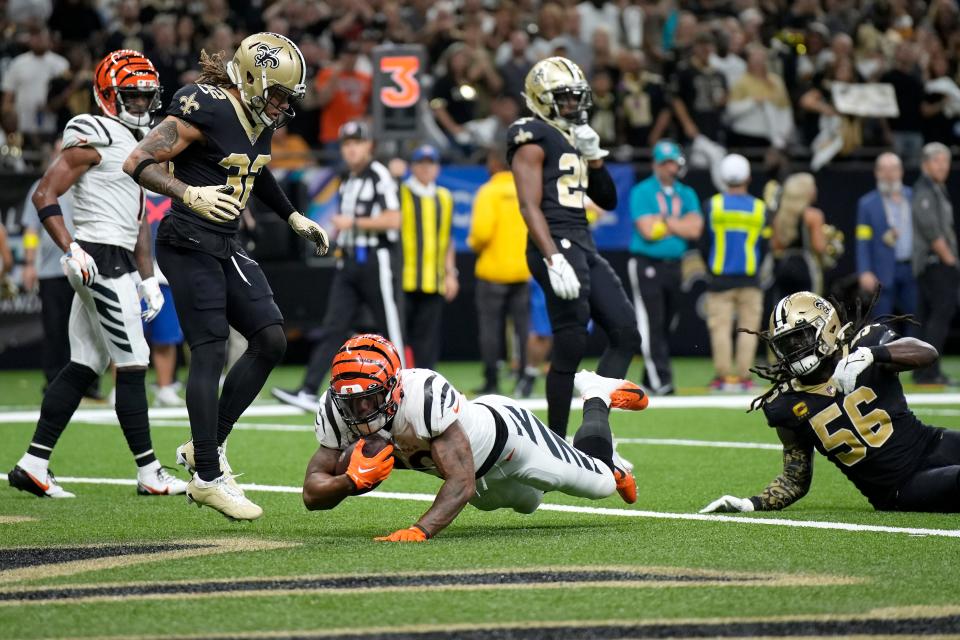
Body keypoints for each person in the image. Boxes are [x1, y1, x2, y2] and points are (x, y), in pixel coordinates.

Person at [123, 33, 331, 521]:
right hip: (186, 238)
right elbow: (138, 161)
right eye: (277, 94)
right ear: (253, 79)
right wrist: (186, 193)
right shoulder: (208, 106)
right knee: (211, 351)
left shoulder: (259, 119)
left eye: (287, 98)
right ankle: (208, 477)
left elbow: (255, 171)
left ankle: (205, 446)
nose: (281, 105)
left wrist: (293, 217)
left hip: (224, 242)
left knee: (272, 340)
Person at [8, 50, 186, 499]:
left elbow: (139, 217)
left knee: (85, 363)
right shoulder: (95, 133)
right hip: (99, 258)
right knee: (133, 363)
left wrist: (148, 277)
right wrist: (70, 247)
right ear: (107, 95)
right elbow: (45, 194)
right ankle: (149, 472)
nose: (142, 105)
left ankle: (33, 463)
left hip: (119, 258)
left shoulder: (137, 140)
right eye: (132, 96)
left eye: (147, 97)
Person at [302, 334, 646, 541]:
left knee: (600, 483)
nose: (360, 410)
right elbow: (311, 493)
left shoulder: (423, 394)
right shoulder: (335, 409)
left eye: (370, 398)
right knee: (529, 504)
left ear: (393, 388)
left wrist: (420, 530)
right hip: (479, 486)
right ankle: (586, 456)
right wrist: (348, 482)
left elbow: (461, 482)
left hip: (513, 442)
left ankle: (596, 395)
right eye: (351, 400)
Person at [701, 291, 960, 514]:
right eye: (786, 344)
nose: (793, 350)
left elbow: (928, 353)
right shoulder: (785, 404)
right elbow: (795, 479)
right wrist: (752, 504)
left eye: (800, 338)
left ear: (827, 327)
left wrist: (873, 354)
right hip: (901, 486)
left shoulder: (865, 347)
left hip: (933, 443)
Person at [508, 56, 642, 437]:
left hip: (582, 241)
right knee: (571, 341)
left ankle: (595, 417)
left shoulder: (574, 135)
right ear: (541, 97)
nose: (572, 104)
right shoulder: (530, 132)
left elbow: (609, 200)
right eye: (564, 97)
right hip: (553, 242)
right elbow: (528, 204)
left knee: (626, 333)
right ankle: (555, 440)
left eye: (575, 97)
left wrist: (595, 159)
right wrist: (552, 256)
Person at [272, 120, 405, 411]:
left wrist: (353, 224)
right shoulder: (348, 179)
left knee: (389, 325)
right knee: (333, 326)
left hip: (376, 258)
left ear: (369, 145)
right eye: (346, 144)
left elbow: (394, 220)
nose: (351, 149)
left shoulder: (378, 175)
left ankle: (404, 388)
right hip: (350, 260)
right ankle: (308, 389)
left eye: (357, 143)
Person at [628, 140, 703, 396]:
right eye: (665, 163)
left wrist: (666, 222)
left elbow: (695, 229)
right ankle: (662, 381)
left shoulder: (687, 193)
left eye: (673, 162)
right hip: (647, 263)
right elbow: (648, 231)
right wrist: (678, 224)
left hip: (676, 265)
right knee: (652, 322)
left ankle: (649, 379)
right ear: (656, 165)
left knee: (668, 321)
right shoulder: (642, 191)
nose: (670, 168)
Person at [468, 145, 531, 395]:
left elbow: (481, 234)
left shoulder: (489, 192)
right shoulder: (524, 190)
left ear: (494, 163)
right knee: (523, 330)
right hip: (521, 270)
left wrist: (473, 244)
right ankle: (525, 378)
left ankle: (492, 381)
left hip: (493, 272)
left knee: (491, 330)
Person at [703, 154, 766, 392]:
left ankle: (722, 378)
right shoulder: (760, 208)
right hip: (750, 277)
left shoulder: (713, 205)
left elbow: (703, 241)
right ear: (748, 177)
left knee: (720, 328)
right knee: (748, 328)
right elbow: (765, 244)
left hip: (719, 277)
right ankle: (744, 378)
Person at [400, 144, 458, 370]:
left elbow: (447, 238)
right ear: (413, 167)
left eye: (430, 163)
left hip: (433, 280)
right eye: (421, 163)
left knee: (427, 342)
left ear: (437, 168)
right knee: (398, 336)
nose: (426, 168)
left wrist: (451, 273)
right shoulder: (400, 191)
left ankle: (424, 387)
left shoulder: (444, 197)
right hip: (403, 279)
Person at [910, 143, 958, 385]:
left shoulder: (936, 189)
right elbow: (932, 231)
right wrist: (950, 261)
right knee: (940, 315)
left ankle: (923, 370)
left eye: (946, 161)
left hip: (934, 263)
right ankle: (929, 371)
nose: (943, 166)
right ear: (925, 164)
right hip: (935, 263)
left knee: (929, 316)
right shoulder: (925, 191)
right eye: (938, 161)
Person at [855, 152, 916, 321]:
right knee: (882, 321)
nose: (889, 175)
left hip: (912, 269)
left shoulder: (913, 197)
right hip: (882, 271)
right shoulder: (867, 204)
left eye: (894, 169)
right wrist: (864, 271)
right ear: (876, 173)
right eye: (884, 170)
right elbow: (862, 240)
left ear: (901, 172)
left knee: (915, 320)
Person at [769, 173, 828, 299]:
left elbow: (775, 245)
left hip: (783, 268)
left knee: (783, 311)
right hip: (805, 267)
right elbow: (819, 247)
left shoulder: (779, 216)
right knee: (809, 310)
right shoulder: (813, 215)